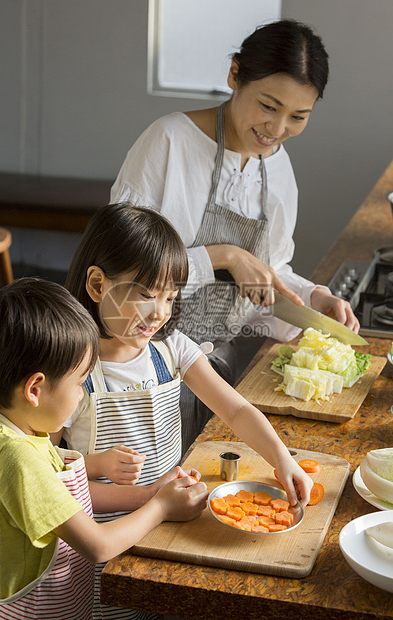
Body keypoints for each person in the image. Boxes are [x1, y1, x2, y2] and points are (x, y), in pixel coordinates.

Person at [109, 19, 360, 452]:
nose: (277, 129)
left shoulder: (278, 170)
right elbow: (121, 266)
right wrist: (222, 255)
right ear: (234, 75)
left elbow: (268, 270)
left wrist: (312, 298)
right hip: (141, 366)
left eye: (298, 117)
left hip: (221, 368)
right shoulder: (168, 142)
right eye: (268, 106)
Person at [61, 202, 314, 620]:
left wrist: (282, 458)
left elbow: (235, 410)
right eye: (145, 295)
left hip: (171, 522)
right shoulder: (71, 371)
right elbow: (58, 483)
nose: (160, 312)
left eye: (170, 296)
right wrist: (148, 497)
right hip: (106, 542)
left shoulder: (172, 349)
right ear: (96, 283)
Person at [0, 278, 208, 620]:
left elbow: (62, 501)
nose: (81, 395)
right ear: (35, 389)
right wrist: (160, 507)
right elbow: (97, 545)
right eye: (78, 384)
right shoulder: (19, 460)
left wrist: (149, 493)